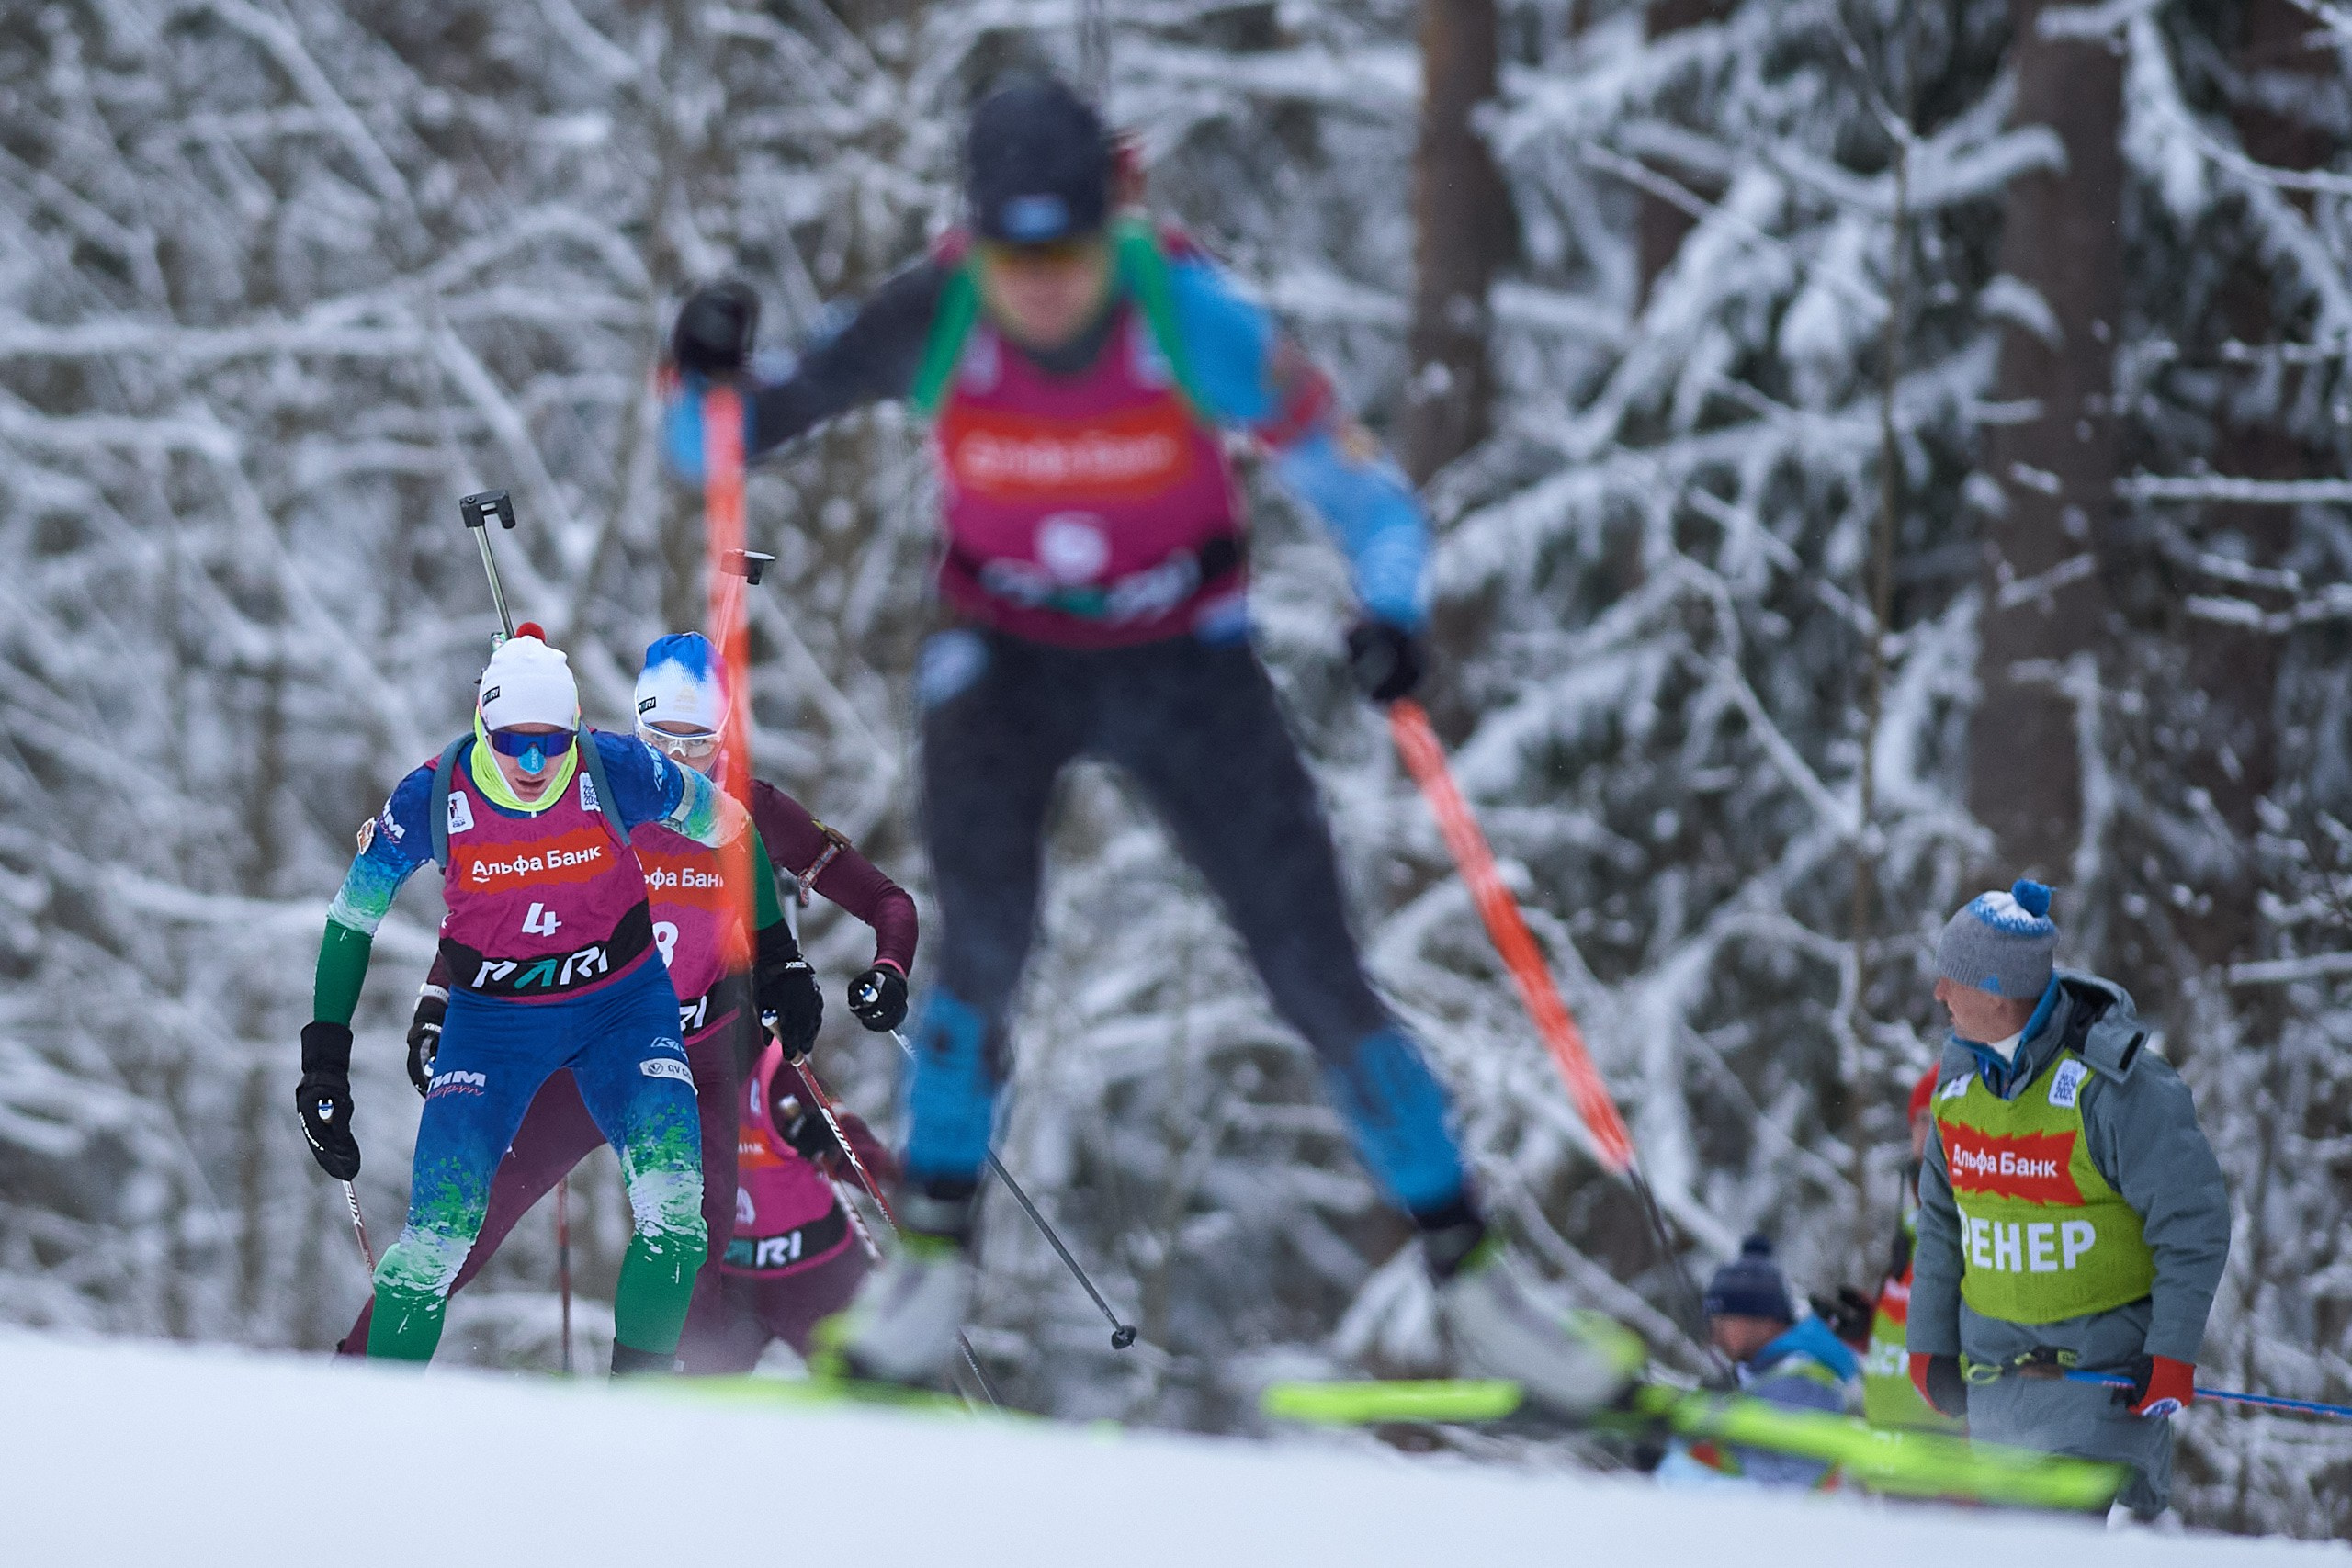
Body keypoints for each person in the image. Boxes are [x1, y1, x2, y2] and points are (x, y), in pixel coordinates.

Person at [660, 72, 1633, 1410]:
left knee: (1314, 964)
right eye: (1016, 252)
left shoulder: (1189, 310)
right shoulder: (932, 311)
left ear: (1112, 221)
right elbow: (709, 441)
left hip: (1186, 656)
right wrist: (696, 367)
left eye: (1067, 251)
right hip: (1004, 659)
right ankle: (934, 1264)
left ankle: (1480, 1283)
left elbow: (1370, 493)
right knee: (984, 945)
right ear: (976, 235)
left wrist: (1393, 611)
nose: (1043, 284)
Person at [328, 633, 919, 1370]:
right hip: (578, 1047)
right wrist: (437, 997)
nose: (675, 759)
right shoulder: (611, 786)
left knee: (686, 1248)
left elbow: (887, 900)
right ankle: (347, 1389)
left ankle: (629, 1430)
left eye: (697, 741)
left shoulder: (751, 810)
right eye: (657, 736)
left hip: (700, 1058)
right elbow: (502, 897)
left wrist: (878, 969)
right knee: (461, 1228)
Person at [299, 629, 744, 1371]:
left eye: (552, 742)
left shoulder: (621, 768)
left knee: (677, 1223)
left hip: (621, 1010)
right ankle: (366, 1424)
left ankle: (628, 1426)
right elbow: (351, 919)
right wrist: (323, 1065)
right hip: (493, 1025)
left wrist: (766, 937)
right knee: (431, 1248)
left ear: (577, 729)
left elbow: (733, 825)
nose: (535, 764)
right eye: (514, 744)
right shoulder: (434, 794)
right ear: (481, 727)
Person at [1906, 880, 2231, 1520]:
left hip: (2097, 1390)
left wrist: (2171, 1351)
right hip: (1999, 1397)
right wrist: (1929, 1341)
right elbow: (1944, 1222)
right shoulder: (1959, 1079)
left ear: (1999, 991)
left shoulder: (2119, 1087)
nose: (1938, 993)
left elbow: (2192, 1220)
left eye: (1953, 979)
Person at [1657, 1235, 1859, 1489]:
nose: (1714, 1338)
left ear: (1762, 1319)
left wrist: (1685, 1455)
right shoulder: (1767, 1378)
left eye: (1721, 1323)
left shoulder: (1802, 1382)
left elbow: (1779, 1487)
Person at [1857, 1069, 1965, 1434]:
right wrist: (1867, 1329)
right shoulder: (1908, 1225)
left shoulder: (1975, 1218)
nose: (1930, 1129)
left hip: (1954, 1472)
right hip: (1893, 1467)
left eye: (1941, 1115)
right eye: (1922, 1117)